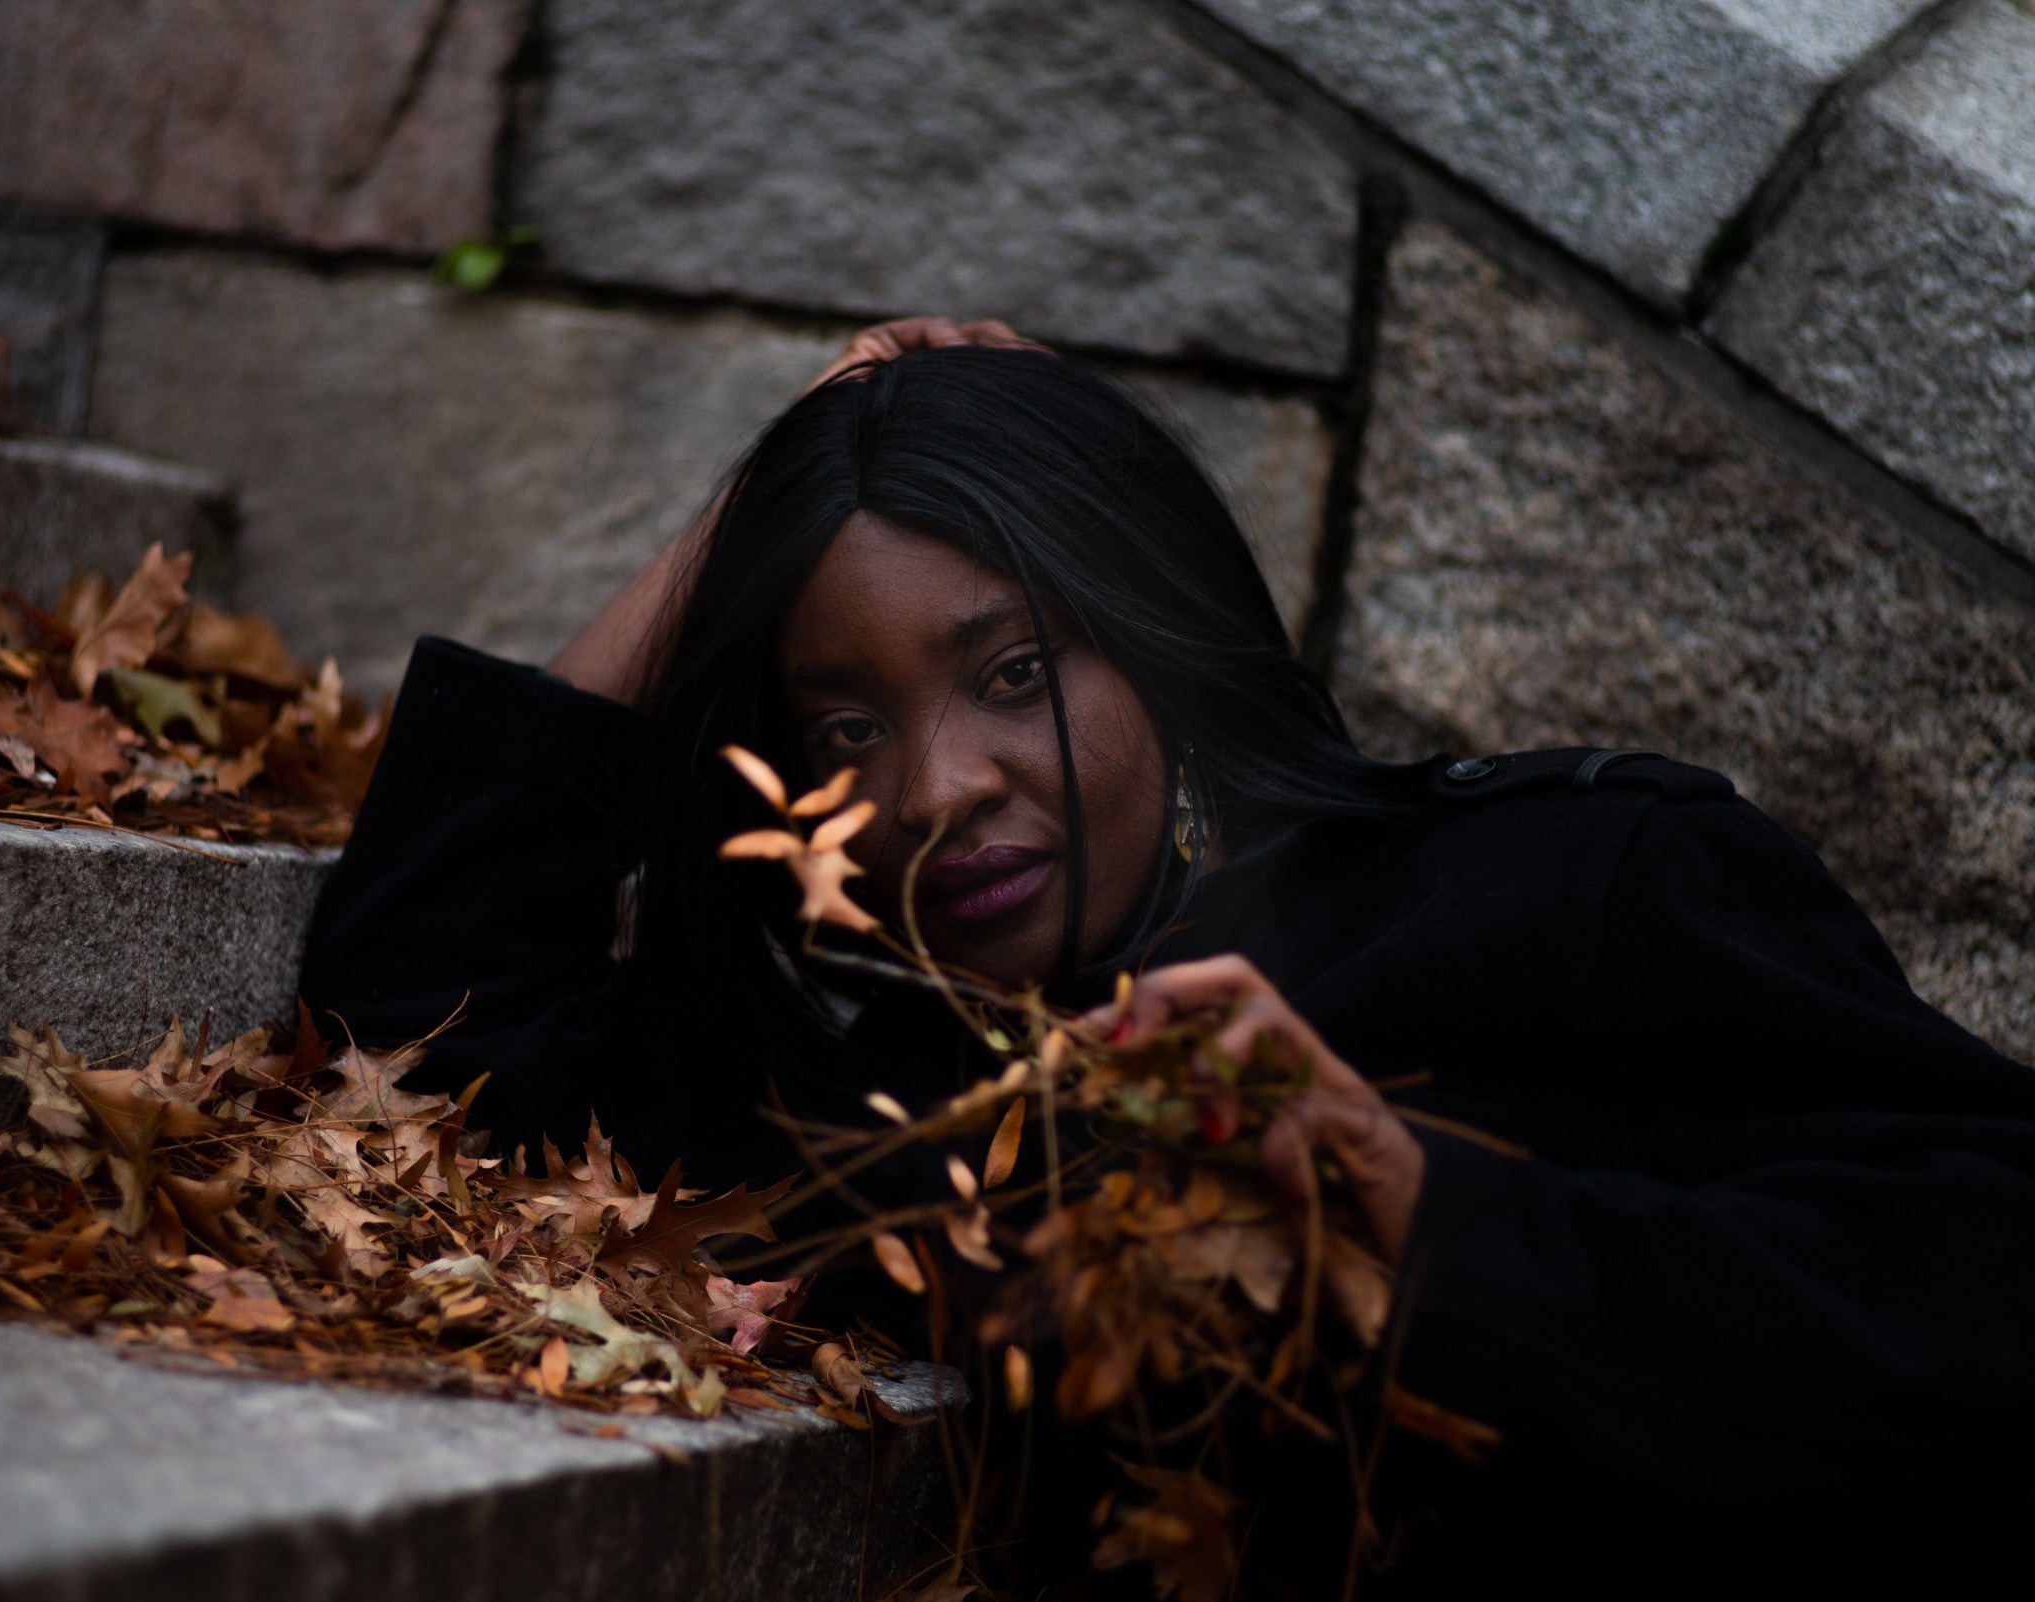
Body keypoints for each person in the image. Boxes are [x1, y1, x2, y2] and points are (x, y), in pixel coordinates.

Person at [301, 320, 2035, 1597]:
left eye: (1011, 672)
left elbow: (1982, 1283)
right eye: (842, 724)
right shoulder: (889, 1113)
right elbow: (422, 992)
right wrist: (776, 483)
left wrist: (1419, 1210)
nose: (937, 789)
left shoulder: (1562, 882)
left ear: (1170, 645)